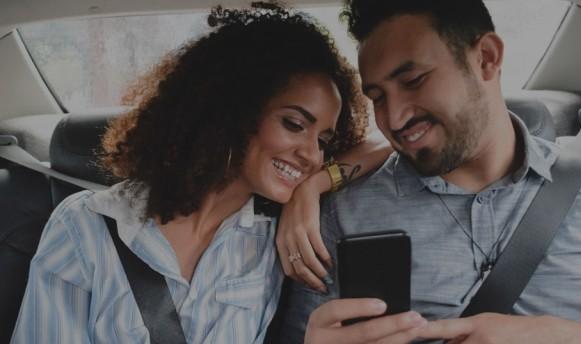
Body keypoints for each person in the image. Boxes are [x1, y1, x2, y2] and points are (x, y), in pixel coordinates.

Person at [10, 3, 393, 343]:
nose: (311, 154)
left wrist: (316, 184)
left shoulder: (269, 239)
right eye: (294, 124)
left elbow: (389, 138)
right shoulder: (85, 229)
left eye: (324, 139)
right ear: (232, 111)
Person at [274, 0, 581, 343]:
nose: (395, 118)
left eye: (414, 80)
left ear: (486, 58)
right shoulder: (340, 214)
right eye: (378, 97)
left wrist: (559, 336)